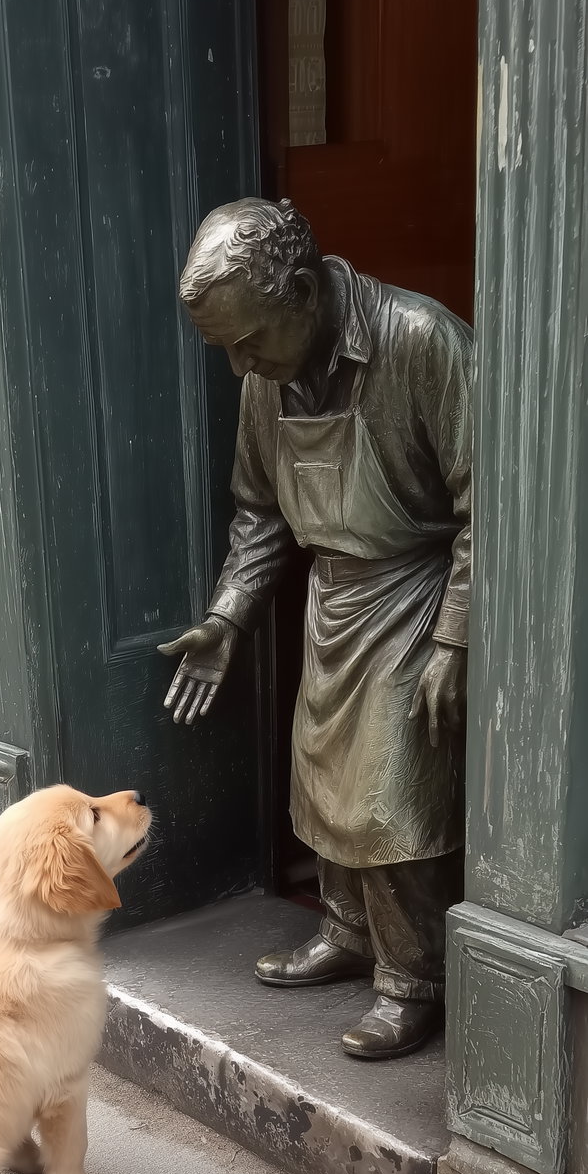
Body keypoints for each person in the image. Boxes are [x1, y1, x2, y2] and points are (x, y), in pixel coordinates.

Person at [160, 198, 471, 1060]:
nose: (238, 366)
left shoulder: (419, 340)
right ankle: (347, 932)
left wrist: (457, 636)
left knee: (392, 800)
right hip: (333, 596)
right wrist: (228, 616)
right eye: (225, 347)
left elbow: (494, 502)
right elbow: (259, 514)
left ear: (300, 292)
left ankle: (413, 979)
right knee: (325, 783)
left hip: (414, 590)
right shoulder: (266, 374)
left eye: (247, 341)